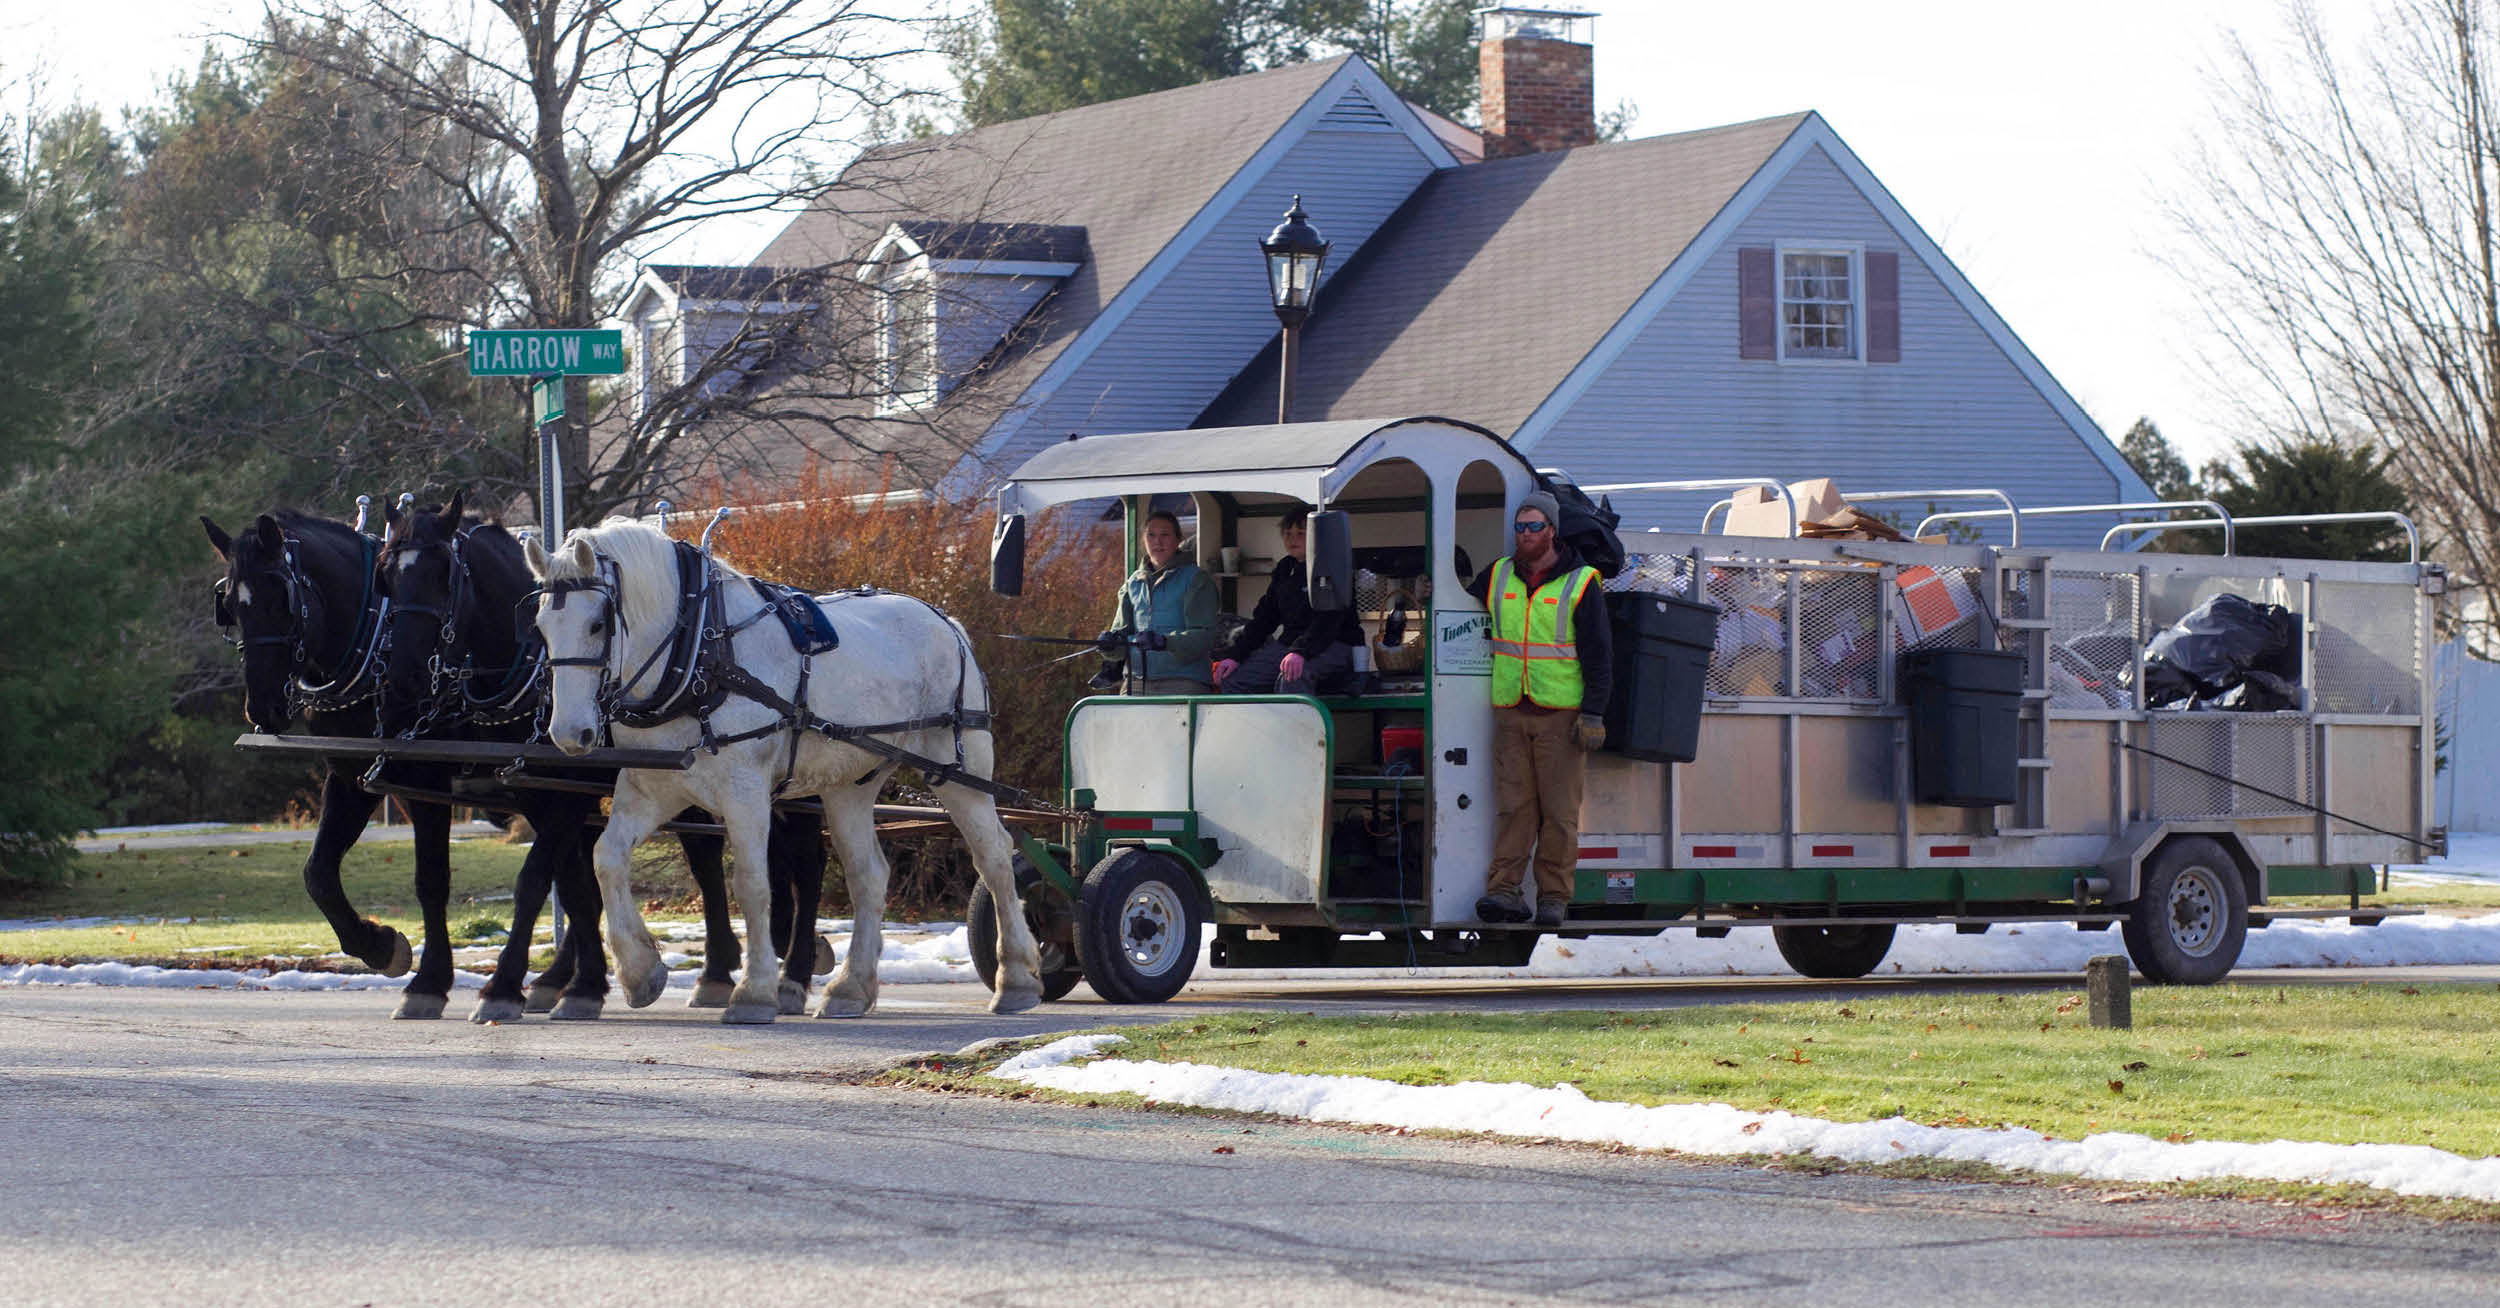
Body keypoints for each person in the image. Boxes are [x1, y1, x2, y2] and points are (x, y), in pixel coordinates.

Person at [1465, 490, 1613, 929]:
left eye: (1533, 526)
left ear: (1551, 530)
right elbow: (1463, 601)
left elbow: (1600, 655)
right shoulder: (1497, 575)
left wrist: (1593, 714)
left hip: (1561, 717)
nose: (1525, 534)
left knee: (1560, 815)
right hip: (1512, 710)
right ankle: (1503, 891)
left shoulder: (1581, 582)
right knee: (1514, 808)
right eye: (1519, 527)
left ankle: (1553, 899)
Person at [1212, 505, 1363, 696]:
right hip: (1291, 646)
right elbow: (1265, 618)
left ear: (1317, 535)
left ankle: (1299, 726)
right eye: (1287, 533)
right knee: (1234, 682)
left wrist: (1301, 652)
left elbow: (1329, 620)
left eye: (1301, 533)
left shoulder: (1332, 565)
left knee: (1293, 676)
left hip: (1336, 643)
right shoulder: (1285, 568)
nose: (1293, 539)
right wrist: (1235, 656)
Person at [1094, 509, 1221, 693]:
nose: (1157, 541)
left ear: (1178, 540)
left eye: (1165, 535)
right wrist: (1110, 646)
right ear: (1144, 541)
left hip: (1185, 681)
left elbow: (1204, 638)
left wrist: (1165, 641)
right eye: (1151, 535)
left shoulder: (1197, 580)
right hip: (1136, 682)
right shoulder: (1132, 584)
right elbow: (1122, 641)